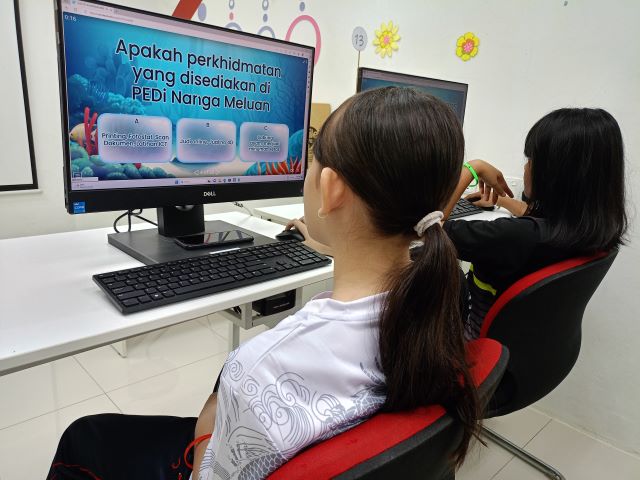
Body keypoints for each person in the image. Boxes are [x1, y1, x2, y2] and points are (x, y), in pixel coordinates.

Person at [48, 87, 481, 479]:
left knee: (85, 436)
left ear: (331, 188)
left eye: (313, 157)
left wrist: (209, 423)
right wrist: (332, 245)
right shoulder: (443, 294)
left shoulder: (259, 370)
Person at [442, 108, 628, 339]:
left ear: (555, 174)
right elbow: (539, 222)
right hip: (537, 347)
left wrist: (472, 168)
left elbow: (432, 228)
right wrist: (500, 200)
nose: (525, 167)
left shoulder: (514, 236)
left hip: (475, 340)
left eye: (530, 159)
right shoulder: (594, 230)